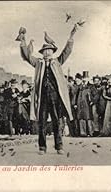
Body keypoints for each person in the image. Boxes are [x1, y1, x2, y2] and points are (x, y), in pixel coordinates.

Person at [18, 24, 77, 155]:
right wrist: (23, 41)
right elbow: (28, 57)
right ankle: (42, 147)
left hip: (56, 97)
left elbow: (66, 52)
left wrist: (71, 36)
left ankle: (59, 146)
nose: (47, 52)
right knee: (42, 123)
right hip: (42, 97)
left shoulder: (57, 62)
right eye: (45, 51)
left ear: (52, 52)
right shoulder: (38, 63)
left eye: (49, 50)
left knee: (57, 122)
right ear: (42, 53)